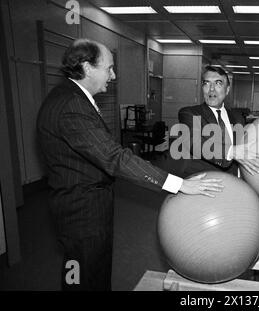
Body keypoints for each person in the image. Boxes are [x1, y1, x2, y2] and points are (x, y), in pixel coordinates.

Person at [36, 39, 223, 291]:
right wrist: (179, 185)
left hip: (85, 205)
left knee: (91, 272)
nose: (113, 75)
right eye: (109, 68)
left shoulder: (70, 97)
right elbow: (116, 158)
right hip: (81, 213)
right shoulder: (71, 105)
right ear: (88, 68)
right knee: (84, 276)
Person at [178, 65, 259, 177]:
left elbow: (244, 147)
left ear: (227, 90)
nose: (211, 89)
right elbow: (194, 142)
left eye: (218, 83)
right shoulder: (189, 113)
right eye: (206, 83)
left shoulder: (237, 117)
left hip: (235, 184)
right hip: (203, 183)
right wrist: (232, 152)